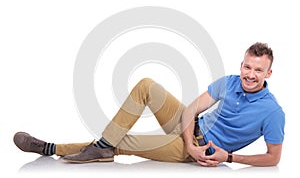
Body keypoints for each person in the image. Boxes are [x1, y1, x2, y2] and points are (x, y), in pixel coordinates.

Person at [13, 42, 285, 167]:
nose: (250, 74)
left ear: (268, 74)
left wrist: (227, 156)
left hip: (202, 150)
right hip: (191, 131)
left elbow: (274, 159)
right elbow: (191, 109)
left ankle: (49, 147)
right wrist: (190, 138)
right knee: (146, 85)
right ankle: (104, 147)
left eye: (258, 70)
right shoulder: (230, 81)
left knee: (123, 141)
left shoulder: (272, 112)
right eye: (247, 67)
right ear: (241, 65)